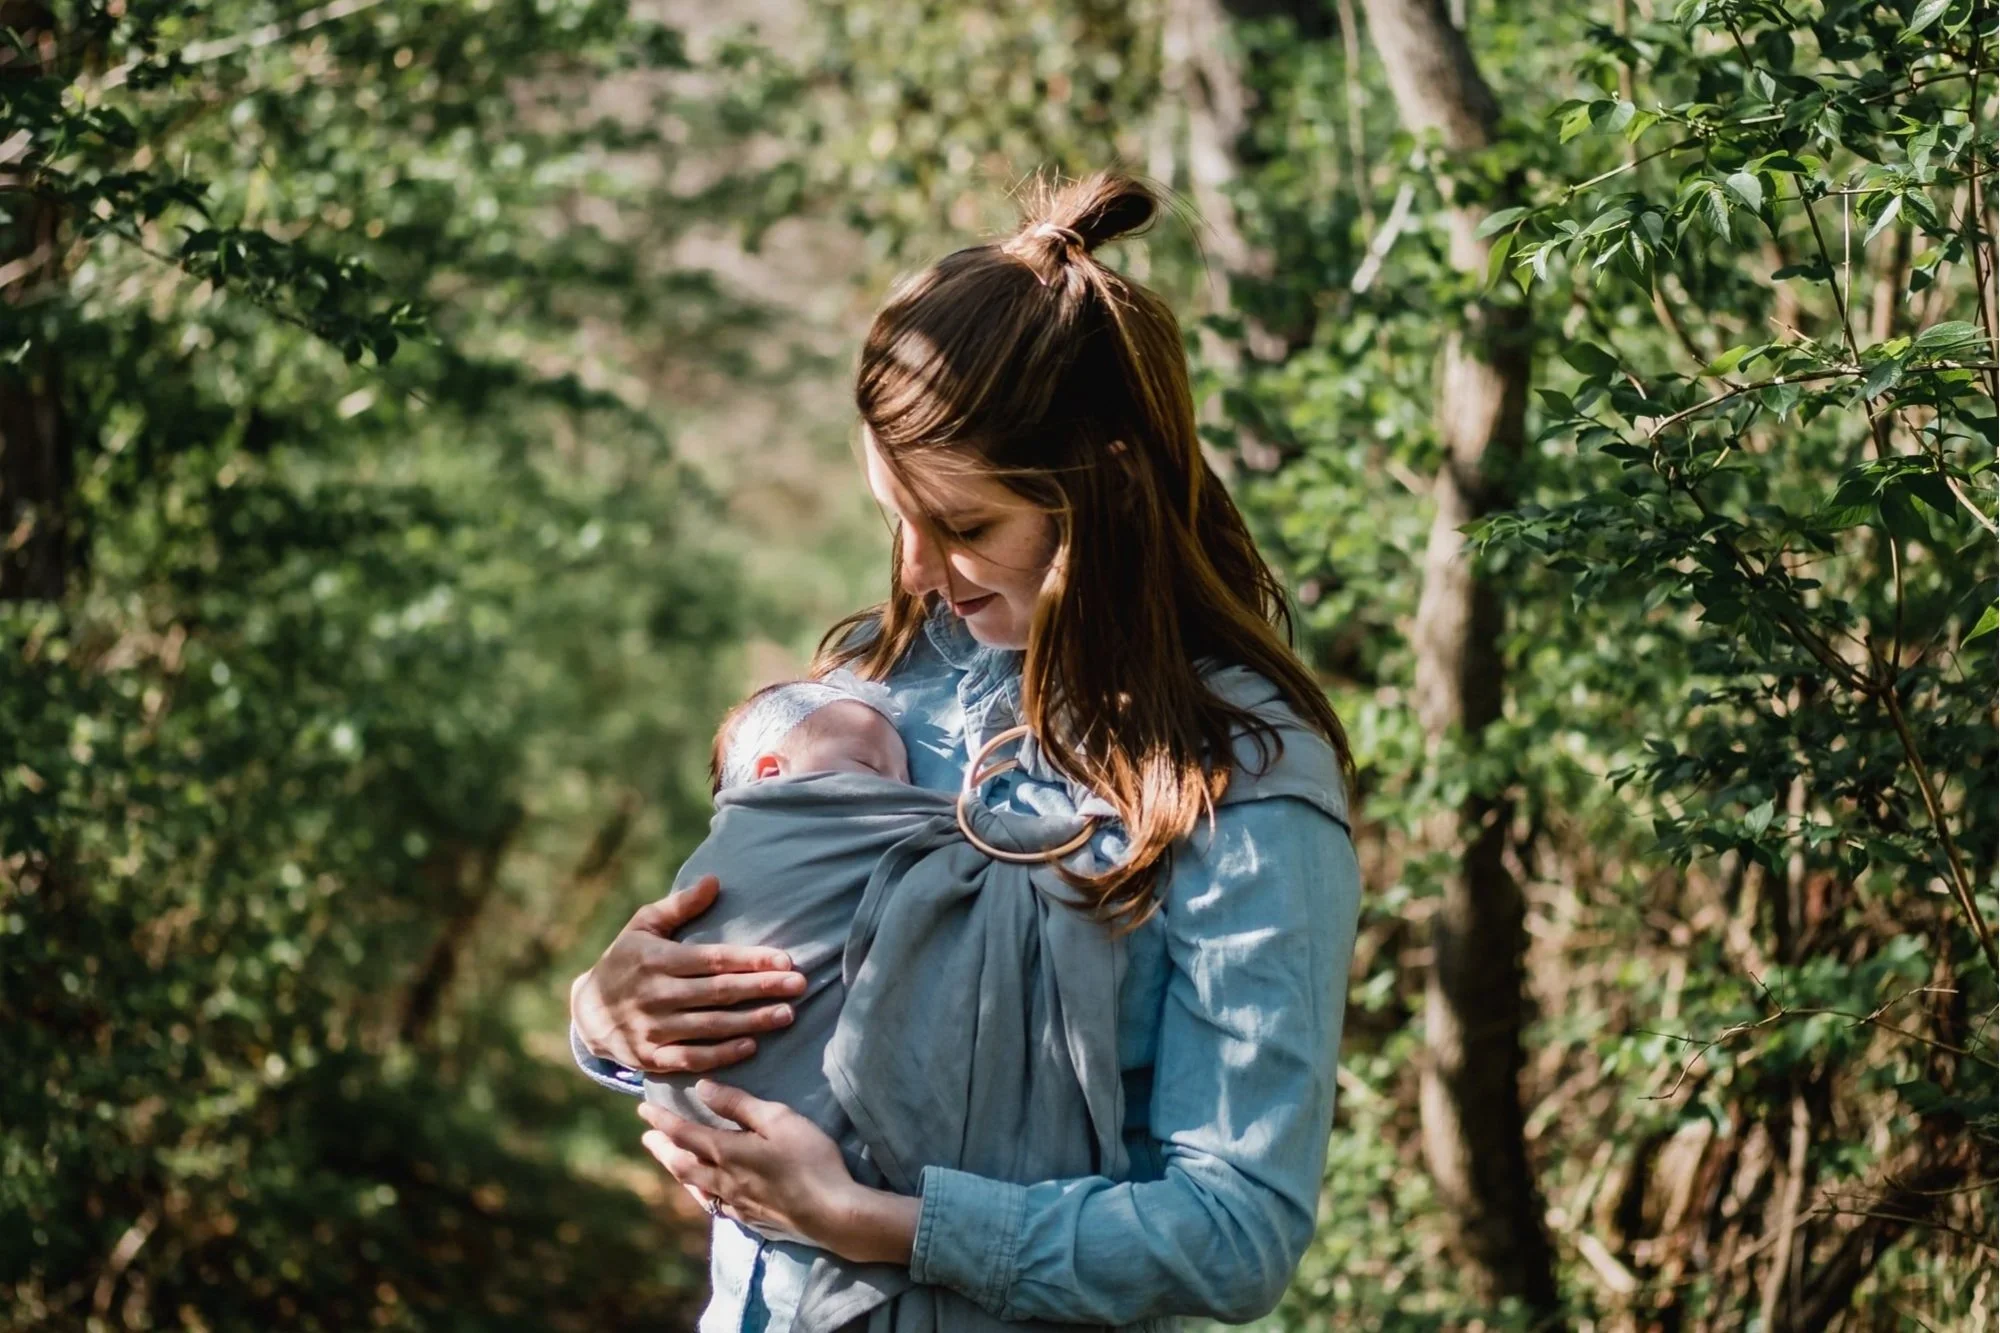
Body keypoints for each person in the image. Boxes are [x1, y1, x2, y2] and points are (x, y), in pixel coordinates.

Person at [570, 168, 1364, 1331]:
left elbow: (1235, 1228)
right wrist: (604, 1020)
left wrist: (872, 1223)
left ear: (1108, 485)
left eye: (965, 526)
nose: (916, 574)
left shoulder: (1233, 776)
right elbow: (735, 1008)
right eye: (896, 518)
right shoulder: (861, 702)